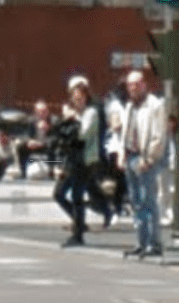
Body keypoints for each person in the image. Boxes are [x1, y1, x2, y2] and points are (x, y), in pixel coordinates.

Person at [54, 76, 108, 247]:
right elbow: (62, 135)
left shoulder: (91, 112)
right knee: (59, 194)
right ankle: (80, 224)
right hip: (71, 158)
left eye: (80, 96)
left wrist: (73, 119)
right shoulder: (72, 113)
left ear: (86, 96)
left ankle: (78, 234)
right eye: (74, 96)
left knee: (77, 195)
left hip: (85, 160)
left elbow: (83, 134)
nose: (77, 99)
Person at [121, 70, 167, 258]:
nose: (133, 88)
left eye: (137, 84)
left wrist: (149, 159)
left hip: (145, 158)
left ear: (144, 85)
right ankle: (141, 241)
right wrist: (121, 154)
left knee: (148, 201)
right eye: (130, 85)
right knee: (136, 202)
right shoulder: (129, 106)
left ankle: (154, 243)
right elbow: (125, 132)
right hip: (130, 157)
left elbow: (159, 135)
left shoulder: (155, 106)